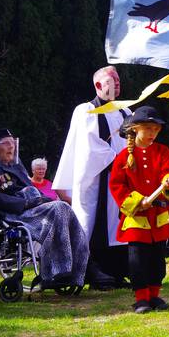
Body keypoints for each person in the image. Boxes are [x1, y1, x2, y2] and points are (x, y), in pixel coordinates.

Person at [0, 129, 90, 290]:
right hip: (12, 212)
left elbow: (30, 188)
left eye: (13, 143)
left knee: (64, 208)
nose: (11, 147)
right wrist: (24, 203)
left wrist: (37, 199)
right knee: (59, 208)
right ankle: (57, 271)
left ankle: (78, 270)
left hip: (29, 207)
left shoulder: (16, 165)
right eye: (6, 143)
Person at [53, 66, 130, 289]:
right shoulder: (86, 110)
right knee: (95, 224)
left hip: (121, 180)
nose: (117, 83)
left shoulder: (126, 112)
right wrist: (120, 160)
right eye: (111, 80)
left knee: (118, 225)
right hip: (97, 181)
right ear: (98, 85)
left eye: (117, 79)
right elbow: (89, 147)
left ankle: (116, 272)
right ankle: (92, 271)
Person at [108, 105, 169, 313]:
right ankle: (141, 298)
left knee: (158, 259)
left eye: (156, 130)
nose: (153, 134)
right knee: (137, 259)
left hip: (159, 216)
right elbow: (117, 186)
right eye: (149, 129)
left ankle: (155, 296)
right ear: (136, 129)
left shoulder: (163, 151)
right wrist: (138, 202)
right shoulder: (122, 158)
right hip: (137, 218)